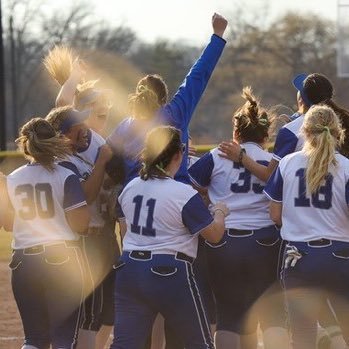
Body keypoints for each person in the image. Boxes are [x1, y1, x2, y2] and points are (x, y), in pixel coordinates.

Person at [111, 125, 229, 349]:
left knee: (124, 344)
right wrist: (220, 212)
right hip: (169, 271)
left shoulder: (130, 187)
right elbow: (214, 235)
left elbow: (125, 232)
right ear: (177, 154)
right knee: (200, 343)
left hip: (130, 268)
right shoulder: (182, 192)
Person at [189, 87, 288, 349]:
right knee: (272, 315)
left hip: (226, 240)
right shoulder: (272, 161)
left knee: (230, 317)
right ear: (266, 135)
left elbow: (188, 186)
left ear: (236, 133)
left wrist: (210, 199)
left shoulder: (216, 156)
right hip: (266, 241)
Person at [107, 13, 228, 185]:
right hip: (173, 199)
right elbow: (197, 76)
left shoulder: (124, 126)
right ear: (163, 99)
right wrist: (218, 35)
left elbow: (105, 156)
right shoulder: (174, 114)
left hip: (132, 201)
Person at [264, 105, 349, 349]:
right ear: (337, 132)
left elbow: (275, 214)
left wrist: (301, 221)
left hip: (299, 256)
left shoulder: (288, 163)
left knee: (302, 334)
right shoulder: (345, 166)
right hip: (340, 255)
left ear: (305, 132)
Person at [1, 118, 90, 349]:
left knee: (34, 339)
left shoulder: (13, 179)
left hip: (23, 262)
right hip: (61, 259)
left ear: (24, 144)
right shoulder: (65, 175)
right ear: (55, 141)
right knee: (64, 338)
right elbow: (81, 224)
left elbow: (8, 224)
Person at [45, 105, 114, 349]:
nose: (86, 130)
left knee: (97, 314)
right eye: (79, 127)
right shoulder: (63, 161)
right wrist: (103, 161)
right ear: (64, 134)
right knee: (86, 317)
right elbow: (86, 196)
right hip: (81, 243)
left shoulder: (74, 157)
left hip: (93, 240)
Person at [218, 73, 349, 182]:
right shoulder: (340, 121)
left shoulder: (290, 130)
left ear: (301, 100)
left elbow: (270, 176)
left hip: (306, 201)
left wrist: (242, 157)